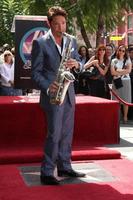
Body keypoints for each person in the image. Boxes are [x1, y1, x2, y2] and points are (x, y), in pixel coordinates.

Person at [31, 6, 85, 185]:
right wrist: (48, 87)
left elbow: (80, 62)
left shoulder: (71, 40)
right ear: (49, 23)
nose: (61, 27)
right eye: (57, 24)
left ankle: (64, 166)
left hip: (68, 93)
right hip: (52, 95)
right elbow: (36, 73)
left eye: (64, 23)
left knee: (67, 133)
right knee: (54, 134)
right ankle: (47, 172)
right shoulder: (40, 43)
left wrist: (76, 63)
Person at [110, 45, 132, 123]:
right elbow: (112, 72)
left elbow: (129, 71)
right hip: (116, 81)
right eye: (120, 50)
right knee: (117, 100)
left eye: (123, 51)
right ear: (117, 51)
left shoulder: (128, 60)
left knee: (125, 100)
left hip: (126, 81)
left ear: (125, 52)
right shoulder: (114, 60)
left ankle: (125, 117)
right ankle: (118, 117)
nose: (121, 52)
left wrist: (118, 71)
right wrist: (123, 71)